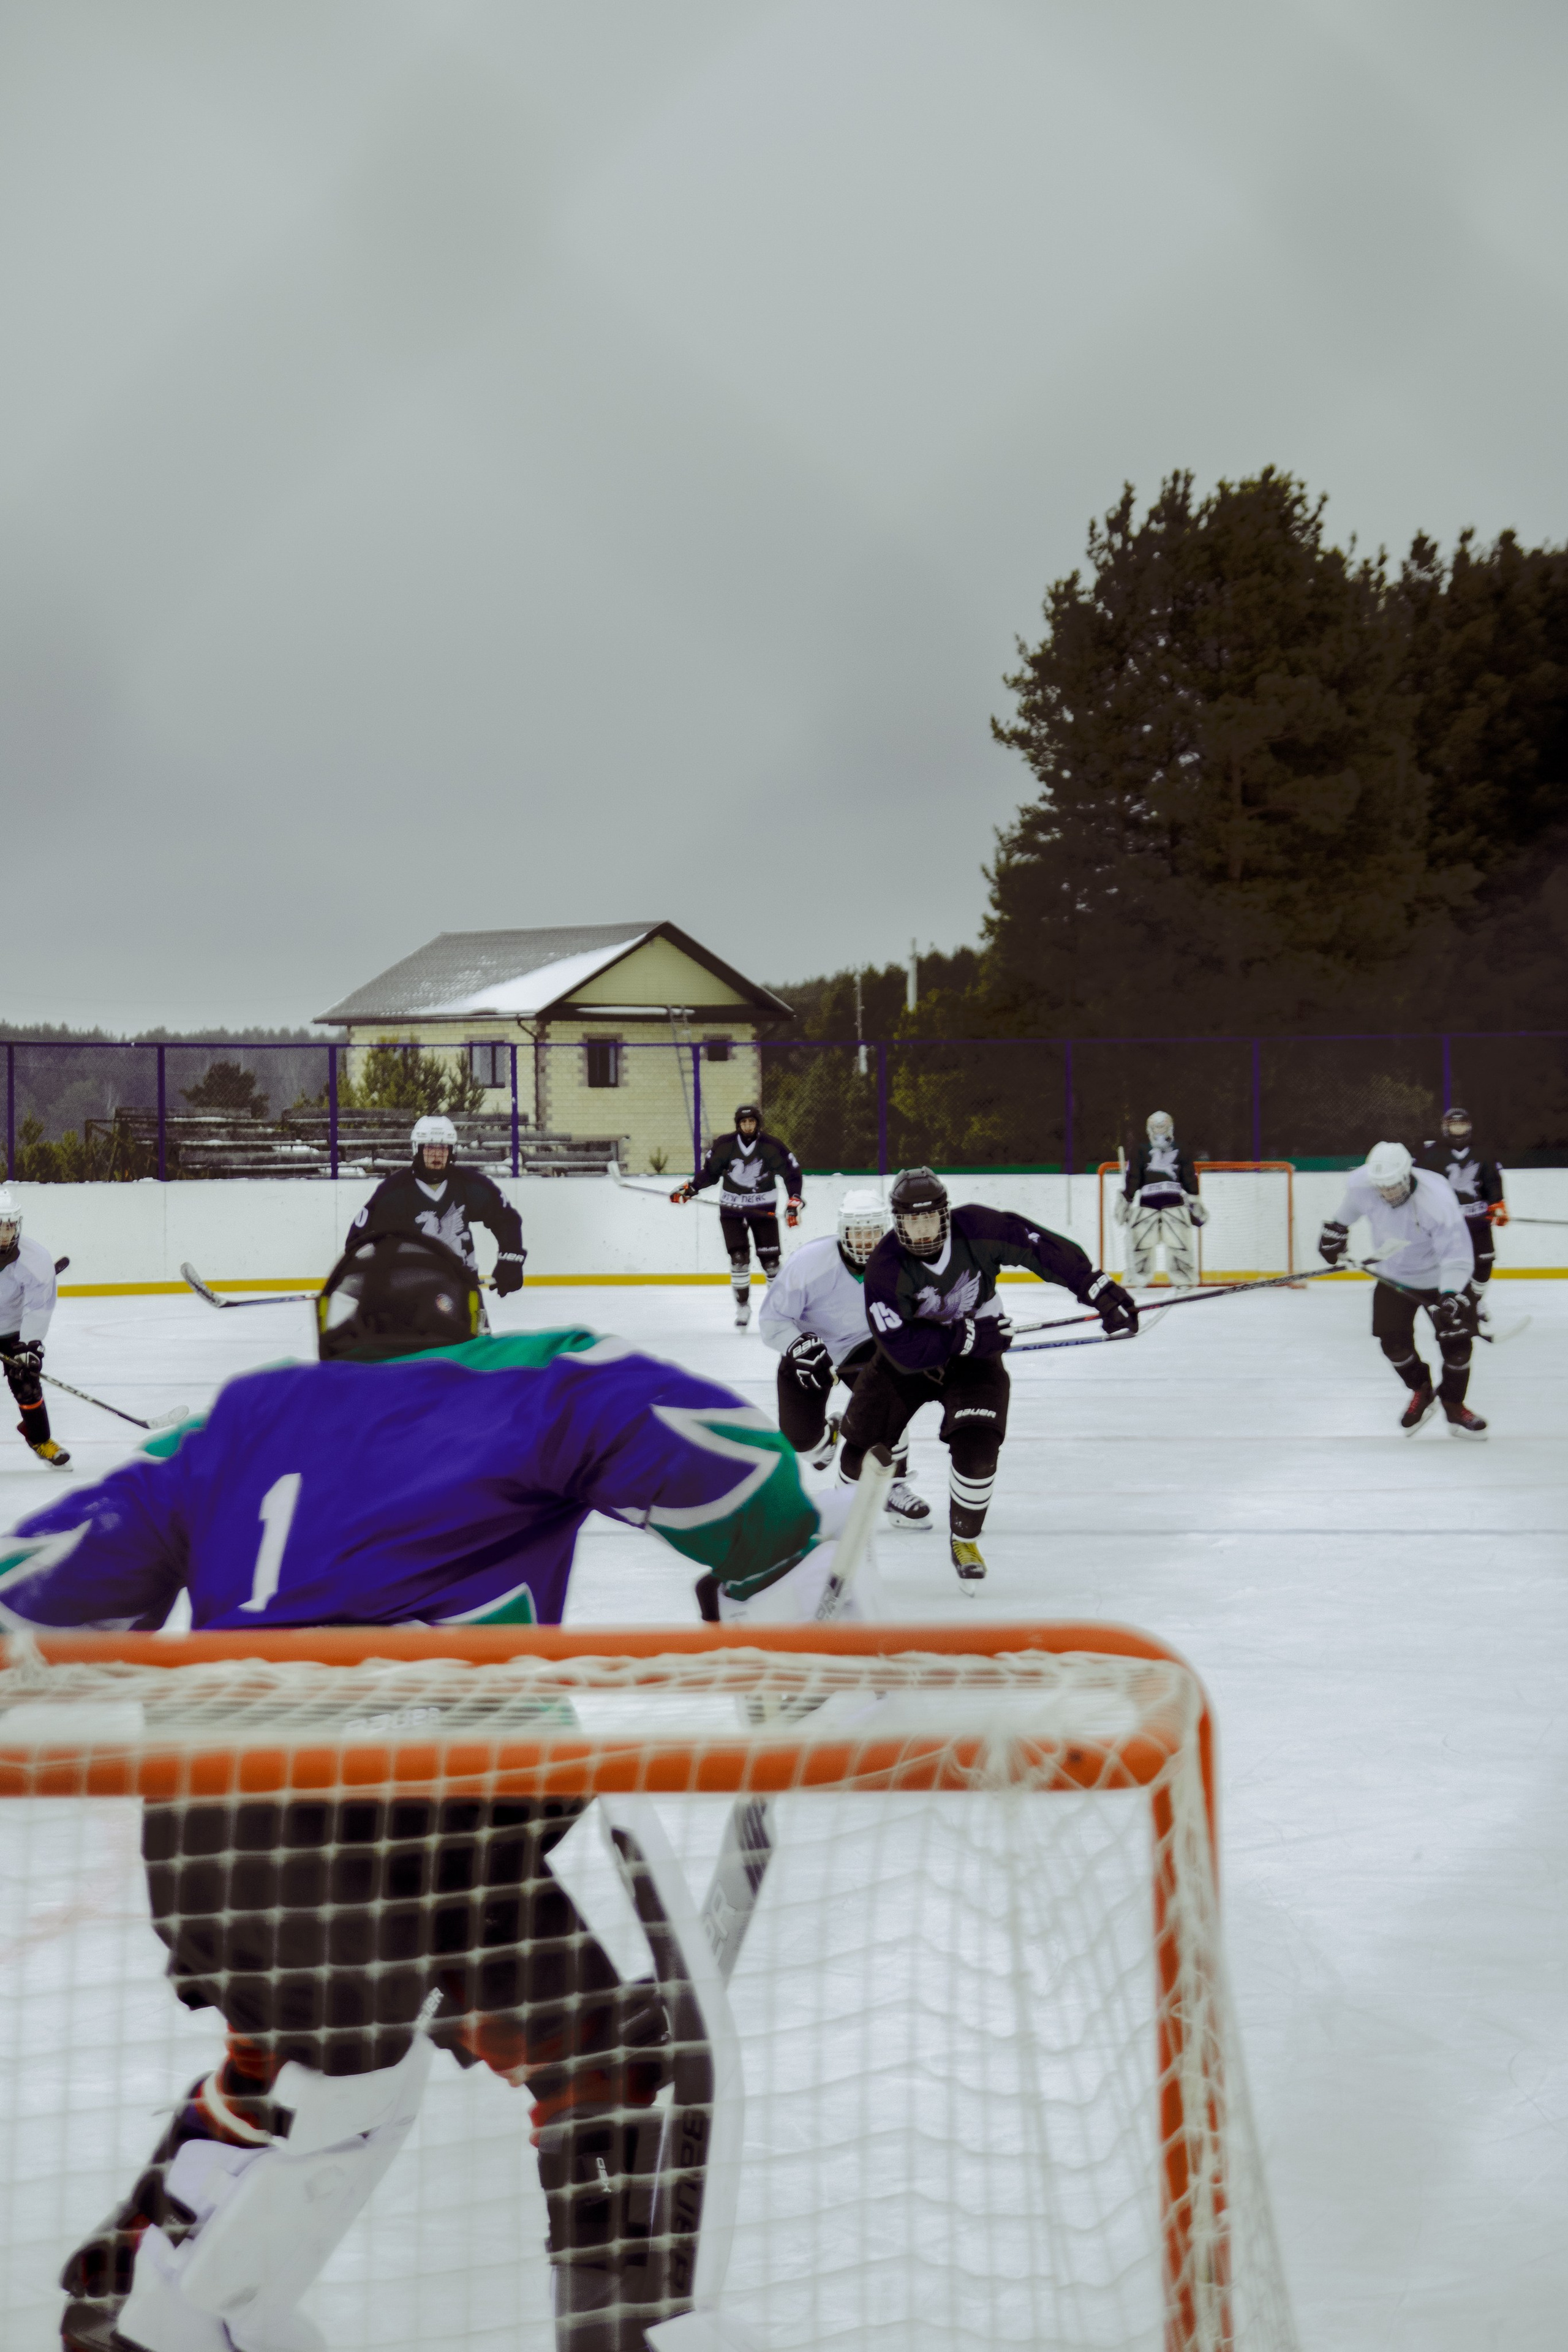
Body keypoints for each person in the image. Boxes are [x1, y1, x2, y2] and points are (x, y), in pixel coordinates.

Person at [0, 1233, 860, 2352]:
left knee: (578, 2056)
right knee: (345, 2077)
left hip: (278, 1820)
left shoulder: (223, 1427)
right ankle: (151, 2317)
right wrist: (786, 1593)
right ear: (466, 1320)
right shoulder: (514, 1376)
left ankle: (601, 2326)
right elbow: (720, 1459)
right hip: (427, 1804)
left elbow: (37, 1598)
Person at [838, 1167, 1138, 1583]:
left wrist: (1096, 1287)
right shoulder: (885, 1267)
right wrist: (962, 1335)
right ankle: (842, 1537)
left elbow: (1038, 1248)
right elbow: (902, 1347)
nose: (922, 1231)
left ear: (945, 1215)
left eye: (930, 1219)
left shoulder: (977, 1227)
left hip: (977, 1356)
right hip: (909, 1361)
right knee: (860, 1448)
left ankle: (965, 1538)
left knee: (979, 1450)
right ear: (898, 1221)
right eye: (912, 1221)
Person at [759, 1188, 932, 1529]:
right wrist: (798, 1346)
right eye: (859, 1231)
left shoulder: (903, 1263)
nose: (867, 1240)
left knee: (892, 1404)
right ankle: (829, 1435)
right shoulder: (809, 1263)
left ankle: (894, 1488)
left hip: (865, 1345)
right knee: (804, 1445)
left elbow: (924, 1309)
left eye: (874, 1231)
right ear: (844, 1231)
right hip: (809, 1349)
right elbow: (771, 1321)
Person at [1317, 1140, 1487, 1438]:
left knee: (1458, 1350)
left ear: (1408, 1174)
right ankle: (1422, 1390)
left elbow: (1458, 1257)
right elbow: (1343, 1218)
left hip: (1443, 1278)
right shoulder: (1363, 1185)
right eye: (1381, 1187)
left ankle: (1454, 1405)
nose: (1387, 1193)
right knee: (1393, 1346)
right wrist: (1334, 1234)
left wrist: (1450, 1296)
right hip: (1393, 1276)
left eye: (1394, 1186)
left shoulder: (1437, 1201)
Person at [345, 1113, 526, 1297]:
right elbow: (359, 1238)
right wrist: (364, 1277)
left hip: (462, 1288)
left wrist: (510, 1260)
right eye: (430, 1148)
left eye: (443, 1149)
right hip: (409, 1292)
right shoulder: (393, 1193)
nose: (437, 1155)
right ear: (417, 1149)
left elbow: (506, 1219)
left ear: (452, 1151)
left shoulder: (470, 1185)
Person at [671, 1103, 803, 1329]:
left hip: (763, 1211)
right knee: (739, 1260)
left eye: (752, 1122)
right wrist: (691, 1189)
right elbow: (710, 1174)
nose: (748, 1126)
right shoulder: (725, 1145)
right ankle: (743, 1307)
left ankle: (779, 1310)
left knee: (771, 1264)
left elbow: (792, 1173)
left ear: (758, 1123)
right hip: (731, 1211)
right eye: (744, 1122)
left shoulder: (771, 1146)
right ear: (738, 1124)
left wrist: (794, 1199)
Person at [1417, 1106, 1507, 1331]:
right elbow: (1419, 1185)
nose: (1458, 1130)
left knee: (1484, 1261)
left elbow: (1492, 1180)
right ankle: (1451, 1300)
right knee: (1446, 1263)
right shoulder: (1431, 1154)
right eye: (1454, 1125)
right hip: (1446, 1223)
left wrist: (1498, 1204)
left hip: (1478, 1220)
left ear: (1469, 1127)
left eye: (1462, 1125)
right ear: (1445, 1128)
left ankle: (1476, 1302)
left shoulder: (1483, 1152)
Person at [0, 1183, 69, 1468]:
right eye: (1, 1227)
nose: (7, 1234)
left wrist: (30, 1347)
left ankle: (40, 1438)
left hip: (13, 1328)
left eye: (11, 1226)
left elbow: (39, 1308)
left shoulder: (35, 1259)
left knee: (26, 1383)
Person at [1114, 1111, 1208, 1285]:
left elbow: (1188, 1177)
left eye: (1162, 1126)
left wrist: (1194, 1198)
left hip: (1173, 1205)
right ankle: (1137, 1278)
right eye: (1156, 1126)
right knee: (1140, 1243)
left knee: (1179, 1243)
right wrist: (1127, 1198)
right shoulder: (1140, 1150)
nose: (1159, 1130)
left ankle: (1184, 1280)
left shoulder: (1181, 1150)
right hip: (1148, 1206)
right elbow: (1134, 1177)